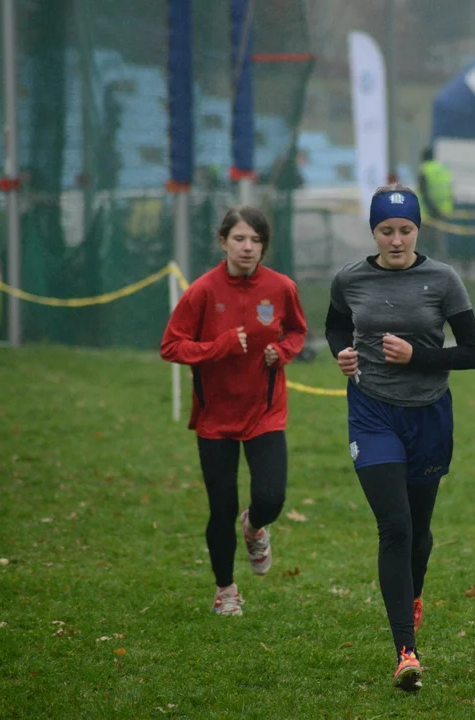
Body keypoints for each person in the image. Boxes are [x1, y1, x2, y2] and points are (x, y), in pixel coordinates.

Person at [324, 184, 475, 691]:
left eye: (405, 230)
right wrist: (341, 354)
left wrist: (420, 356)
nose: (396, 240)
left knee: (418, 531)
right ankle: (405, 651)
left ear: (419, 230)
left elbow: (473, 353)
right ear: (373, 232)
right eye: (386, 231)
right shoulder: (349, 278)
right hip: (371, 413)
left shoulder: (443, 279)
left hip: (429, 416)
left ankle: (412, 595)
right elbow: (334, 327)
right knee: (394, 526)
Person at [160, 206, 308, 617]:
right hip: (216, 418)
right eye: (239, 239)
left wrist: (284, 351)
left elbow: (297, 331)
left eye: (256, 240)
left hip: (264, 411)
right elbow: (171, 346)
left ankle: (255, 526)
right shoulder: (202, 292)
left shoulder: (281, 288)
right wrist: (218, 346)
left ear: (264, 246)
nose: (248, 247)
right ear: (222, 241)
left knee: (271, 497)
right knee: (220, 509)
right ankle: (226, 590)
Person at [416, 147, 454, 258]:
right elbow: (449, 188)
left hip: (428, 214)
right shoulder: (443, 169)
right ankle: (439, 265)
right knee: (438, 241)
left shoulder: (425, 169)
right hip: (444, 211)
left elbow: (424, 192)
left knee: (424, 243)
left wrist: (432, 211)